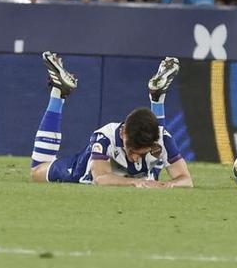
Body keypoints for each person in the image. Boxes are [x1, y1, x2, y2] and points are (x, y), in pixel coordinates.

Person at [28, 52, 190, 187]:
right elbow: (101, 178)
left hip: (143, 171)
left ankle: (157, 97)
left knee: (157, 142)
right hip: (84, 170)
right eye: (132, 151)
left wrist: (169, 185)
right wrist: (137, 182)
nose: (134, 158)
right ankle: (58, 93)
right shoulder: (105, 137)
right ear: (122, 133)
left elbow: (186, 180)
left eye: (141, 153)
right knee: (37, 171)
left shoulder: (160, 139)